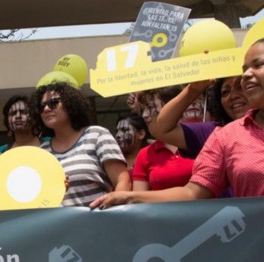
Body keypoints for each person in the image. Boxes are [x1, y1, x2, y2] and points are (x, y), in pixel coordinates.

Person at [90, 39, 264, 209]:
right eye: (244, 69)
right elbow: (193, 193)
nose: (247, 74)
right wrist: (129, 197)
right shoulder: (227, 136)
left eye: (258, 65)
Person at [32, 82, 130, 207]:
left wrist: (113, 211)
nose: (46, 109)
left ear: (70, 104)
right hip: (58, 225)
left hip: (98, 222)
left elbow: (123, 181)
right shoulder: (42, 152)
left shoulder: (96, 135)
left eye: (53, 103)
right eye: (41, 107)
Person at [147, 77, 251, 159]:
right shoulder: (213, 133)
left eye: (240, 87)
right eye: (225, 92)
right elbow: (161, 129)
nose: (233, 96)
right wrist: (193, 90)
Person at [132, 86, 194, 191]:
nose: (144, 115)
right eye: (143, 109)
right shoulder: (144, 155)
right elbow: (139, 201)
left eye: (150, 107)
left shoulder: (202, 140)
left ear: (172, 106)